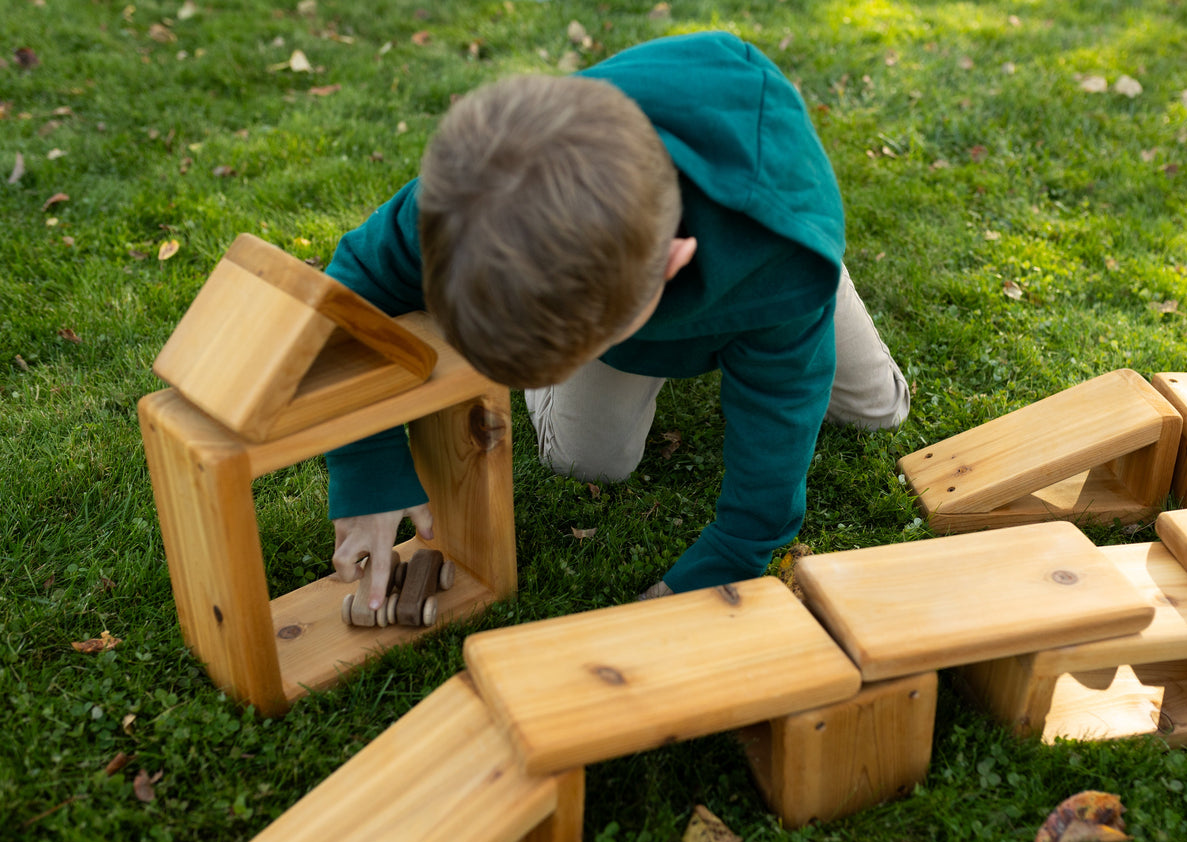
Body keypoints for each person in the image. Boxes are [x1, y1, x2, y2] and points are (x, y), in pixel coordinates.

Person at [324, 31, 909, 613]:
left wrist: (733, 555)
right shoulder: (469, 200)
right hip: (651, 267)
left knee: (878, 412)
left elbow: (781, 406)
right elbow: (348, 289)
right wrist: (366, 465)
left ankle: (814, 286)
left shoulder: (775, 259)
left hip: (771, 238)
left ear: (673, 263)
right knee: (587, 460)